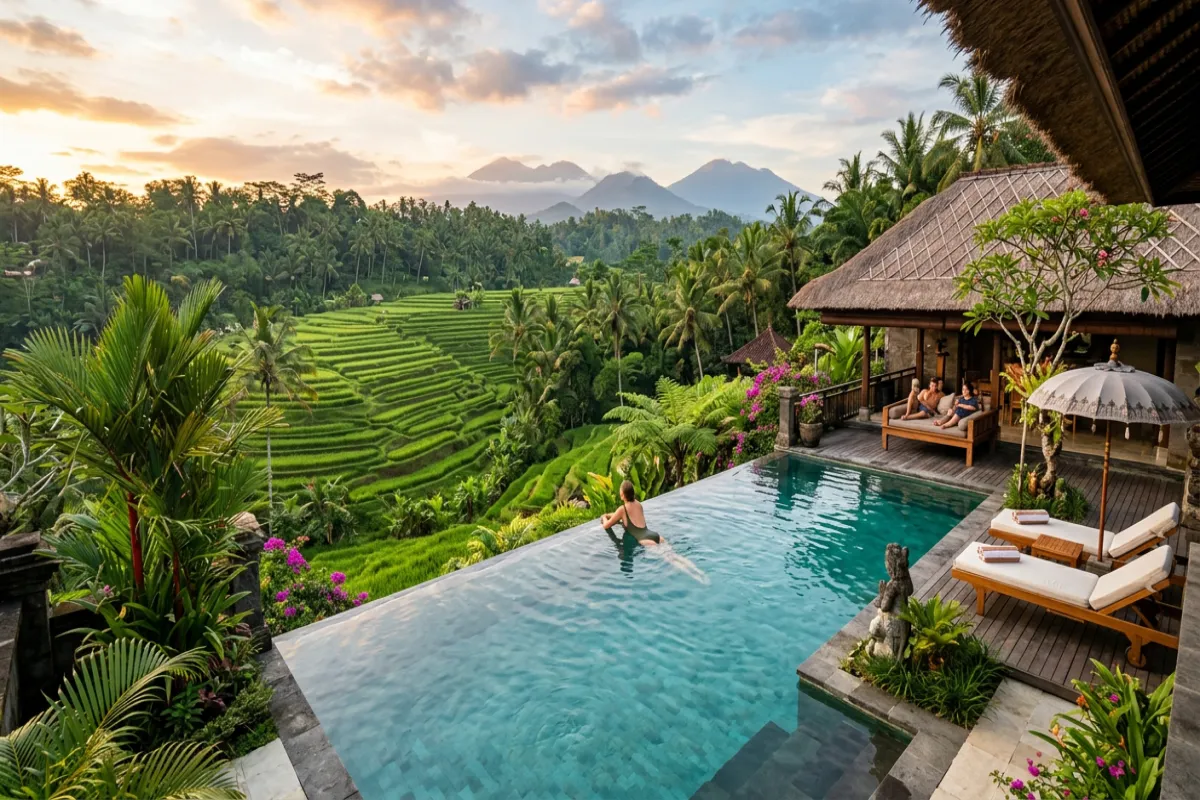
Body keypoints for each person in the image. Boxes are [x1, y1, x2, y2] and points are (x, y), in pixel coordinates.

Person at [601, 481, 708, 584]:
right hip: (655, 536)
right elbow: (619, 516)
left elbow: (607, 525)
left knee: (671, 560)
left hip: (646, 541)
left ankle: (697, 578)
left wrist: (604, 517)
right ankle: (700, 572)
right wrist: (611, 516)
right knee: (675, 555)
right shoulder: (638, 504)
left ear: (622, 495)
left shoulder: (622, 509)